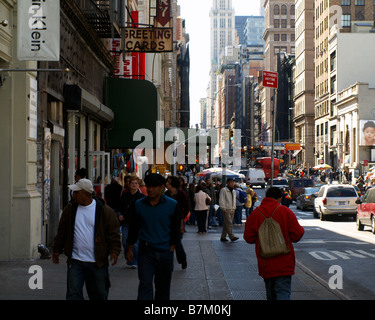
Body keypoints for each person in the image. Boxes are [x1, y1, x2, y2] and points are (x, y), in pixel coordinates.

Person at [52, 178, 121, 300]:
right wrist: (56, 249)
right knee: (73, 294)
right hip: (75, 260)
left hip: (97, 261)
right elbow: (62, 231)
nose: (73, 195)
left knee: (99, 294)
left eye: (76, 192)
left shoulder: (104, 210)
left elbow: (113, 233)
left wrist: (114, 251)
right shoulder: (70, 209)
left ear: (86, 194)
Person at [126, 173, 181, 300]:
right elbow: (134, 228)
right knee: (145, 285)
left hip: (165, 251)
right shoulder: (139, 205)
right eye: (148, 186)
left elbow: (176, 229)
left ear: (162, 187)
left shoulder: (172, 205)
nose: (150, 189)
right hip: (146, 252)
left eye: (154, 187)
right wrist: (129, 247)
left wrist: (172, 248)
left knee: (162, 288)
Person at [243, 187, 305, 300]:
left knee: (270, 294)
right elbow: (298, 234)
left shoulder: (256, 213)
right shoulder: (286, 211)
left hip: (266, 262)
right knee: (283, 292)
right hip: (284, 262)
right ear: (280, 198)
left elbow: (248, 238)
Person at [119, 175, 145, 268]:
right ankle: (130, 257)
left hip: (137, 223)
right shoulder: (125, 196)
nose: (134, 185)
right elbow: (120, 207)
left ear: (138, 185)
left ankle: (134, 260)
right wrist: (119, 215)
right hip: (126, 222)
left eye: (136, 183)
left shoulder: (141, 197)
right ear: (129, 185)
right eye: (132, 183)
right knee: (125, 241)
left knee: (135, 243)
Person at [165, 175, 189, 269]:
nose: (167, 183)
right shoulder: (166, 194)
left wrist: (182, 217)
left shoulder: (181, 193)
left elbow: (187, 207)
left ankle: (182, 259)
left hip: (178, 221)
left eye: (168, 182)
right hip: (168, 220)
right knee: (170, 240)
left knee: (177, 241)